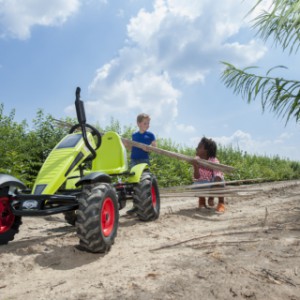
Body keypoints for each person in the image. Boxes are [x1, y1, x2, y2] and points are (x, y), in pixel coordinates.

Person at [124, 113, 157, 215]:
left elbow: (155, 148)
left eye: (148, 123)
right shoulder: (134, 135)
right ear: (138, 124)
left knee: (145, 183)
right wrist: (126, 145)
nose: (147, 125)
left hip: (144, 161)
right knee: (135, 184)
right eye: (145, 123)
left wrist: (148, 148)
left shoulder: (150, 135)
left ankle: (148, 205)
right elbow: (130, 148)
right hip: (134, 160)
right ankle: (135, 207)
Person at [192, 137, 225, 213]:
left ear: (206, 151)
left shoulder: (213, 160)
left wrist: (211, 196)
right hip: (203, 183)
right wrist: (195, 167)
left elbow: (217, 176)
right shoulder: (197, 159)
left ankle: (221, 203)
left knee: (220, 180)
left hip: (213, 183)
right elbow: (196, 177)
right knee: (197, 184)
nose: (196, 148)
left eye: (199, 147)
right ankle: (202, 201)